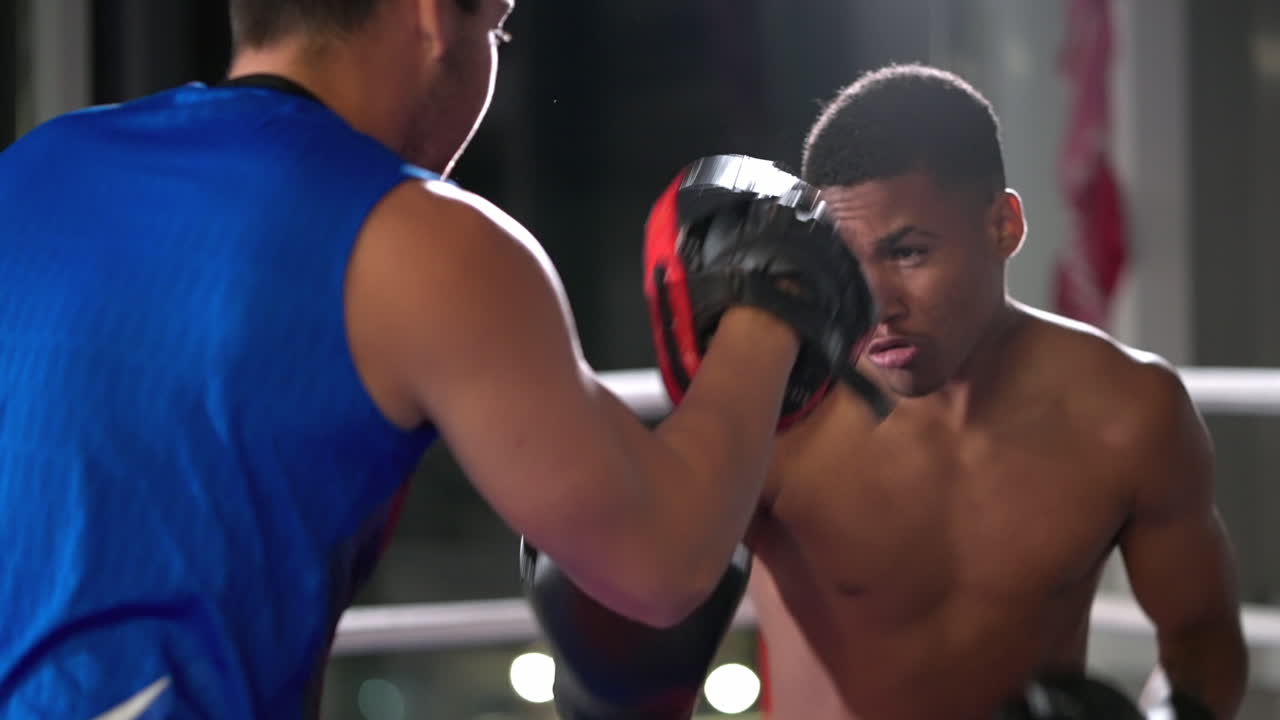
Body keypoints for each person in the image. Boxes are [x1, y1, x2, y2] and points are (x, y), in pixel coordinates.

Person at [0, 0, 870, 717]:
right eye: (496, 29)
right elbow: (665, 562)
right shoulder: (419, 238)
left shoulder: (31, 171)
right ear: (430, 16)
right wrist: (769, 305)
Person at [743, 63, 1249, 720]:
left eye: (908, 253)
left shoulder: (1128, 414)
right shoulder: (777, 413)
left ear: (1002, 227)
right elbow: (633, 595)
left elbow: (1202, 646)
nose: (871, 306)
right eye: (844, 263)